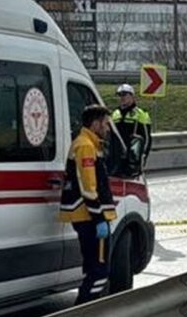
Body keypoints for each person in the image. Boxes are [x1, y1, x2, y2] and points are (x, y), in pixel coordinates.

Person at [60, 105, 117, 305]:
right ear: (95, 124)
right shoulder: (85, 146)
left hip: (88, 216)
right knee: (99, 272)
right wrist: (100, 218)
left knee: (93, 268)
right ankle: (84, 310)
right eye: (106, 124)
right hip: (90, 217)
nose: (108, 129)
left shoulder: (89, 144)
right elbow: (88, 188)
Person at [112, 84, 152, 175]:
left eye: (125, 94)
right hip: (116, 158)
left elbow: (146, 138)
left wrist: (143, 156)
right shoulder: (115, 114)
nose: (122, 98)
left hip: (132, 158)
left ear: (132, 96)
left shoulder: (140, 114)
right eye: (120, 95)